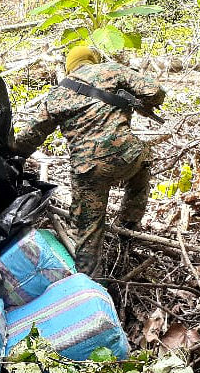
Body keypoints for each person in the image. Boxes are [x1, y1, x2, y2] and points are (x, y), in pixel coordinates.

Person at [13, 46, 166, 277]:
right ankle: (128, 227)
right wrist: (134, 102)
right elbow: (155, 91)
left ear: (69, 67)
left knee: (88, 231)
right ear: (93, 60)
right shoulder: (112, 70)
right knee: (144, 159)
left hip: (89, 170)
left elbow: (30, 137)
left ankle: (91, 283)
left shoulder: (55, 95)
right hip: (126, 156)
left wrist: (9, 156)